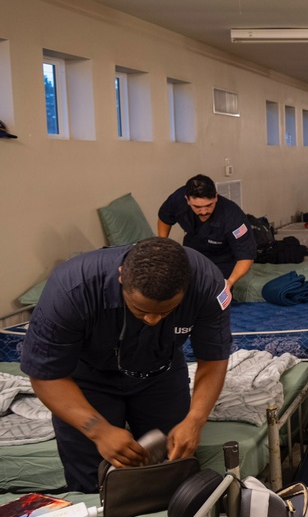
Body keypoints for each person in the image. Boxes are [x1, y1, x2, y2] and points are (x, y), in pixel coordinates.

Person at [20, 237, 231, 493]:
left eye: (165, 312)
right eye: (139, 309)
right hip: (87, 379)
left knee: (173, 469)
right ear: (121, 278)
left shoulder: (208, 285)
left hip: (161, 372)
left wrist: (196, 419)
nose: (152, 320)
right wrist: (98, 430)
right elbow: (45, 375)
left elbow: (213, 359)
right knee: (94, 481)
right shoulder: (71, 289)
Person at [157, 174, 256, 291]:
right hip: (192, 251)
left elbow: (246, 257)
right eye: (197, 207)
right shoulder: (177, 199)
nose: (204, 211)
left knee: (214, 294)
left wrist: (229, 283)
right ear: (187, 200)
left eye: (209, 205)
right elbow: (165, 218)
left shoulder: (233, 217)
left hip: (221, 259)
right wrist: (164, 244)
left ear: (216, 197)